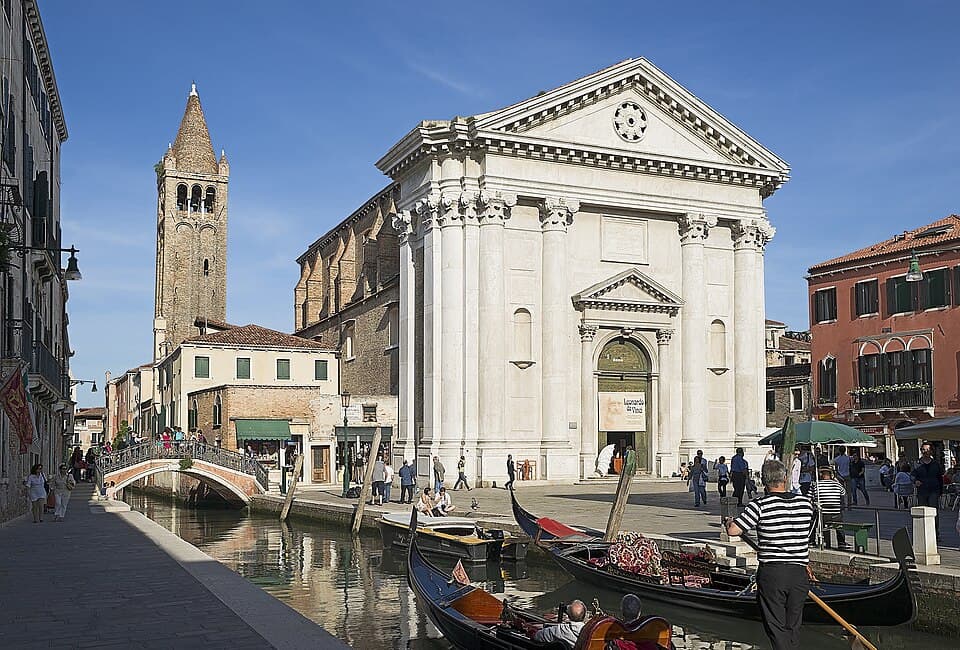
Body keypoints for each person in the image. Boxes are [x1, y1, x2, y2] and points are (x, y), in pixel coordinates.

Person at [725, 461, 814, 650]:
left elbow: (733, 531)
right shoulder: (805, 503)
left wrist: (729, 522)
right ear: (785, 478)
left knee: (776, 627)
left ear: (764, 482)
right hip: (799, 574)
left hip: (773, 573)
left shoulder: (760, 505)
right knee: (793, 626)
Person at [810, 467, 847, 550]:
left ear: (821, 475)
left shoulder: (816, 485)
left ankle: (812, 541)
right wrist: (836, 481)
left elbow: (810, 497)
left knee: (812, 521)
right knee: (839, 523)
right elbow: (843, 493)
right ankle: (841, 542)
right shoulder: (837, 484)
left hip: (823, 514)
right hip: (836, 514)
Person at [912, 443, 944, 538]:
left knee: (933, 512)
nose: (925, 451)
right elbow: (912, 475)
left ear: (931, 451)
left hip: (934, 490)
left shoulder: (936, 464)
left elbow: (940, 478)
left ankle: (935, 533)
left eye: (927, 449)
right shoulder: (917, 463)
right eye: (923, 449)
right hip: (922, 491)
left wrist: (941, 491)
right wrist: (915, 481)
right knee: (922, 512)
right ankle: (923, 534)